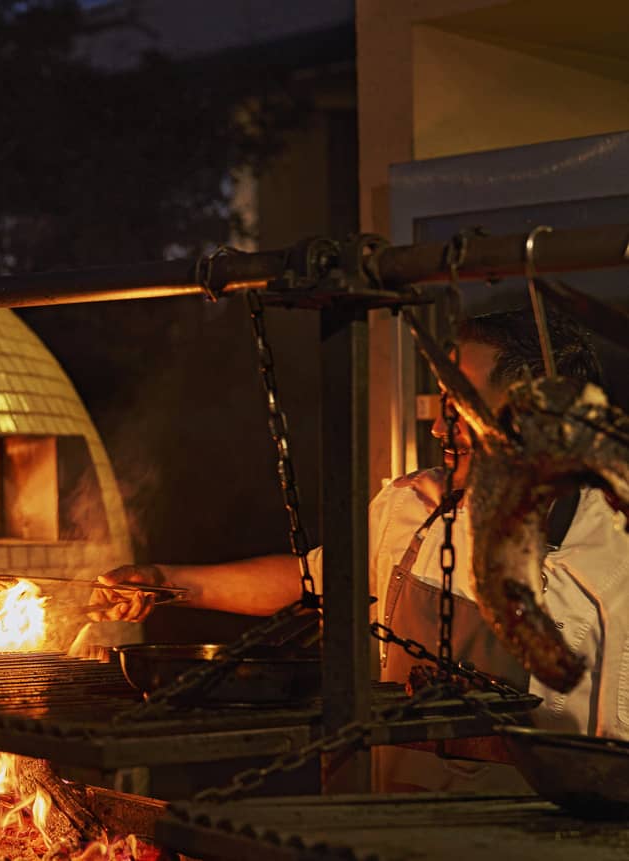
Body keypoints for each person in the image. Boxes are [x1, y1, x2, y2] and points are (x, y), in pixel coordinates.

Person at [90, 307, 629, 791]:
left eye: (460, 405)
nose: (438, 426)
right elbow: (308, 582)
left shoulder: (616, 546)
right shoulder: (413, 506)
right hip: (391, 822)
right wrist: (164, 581)